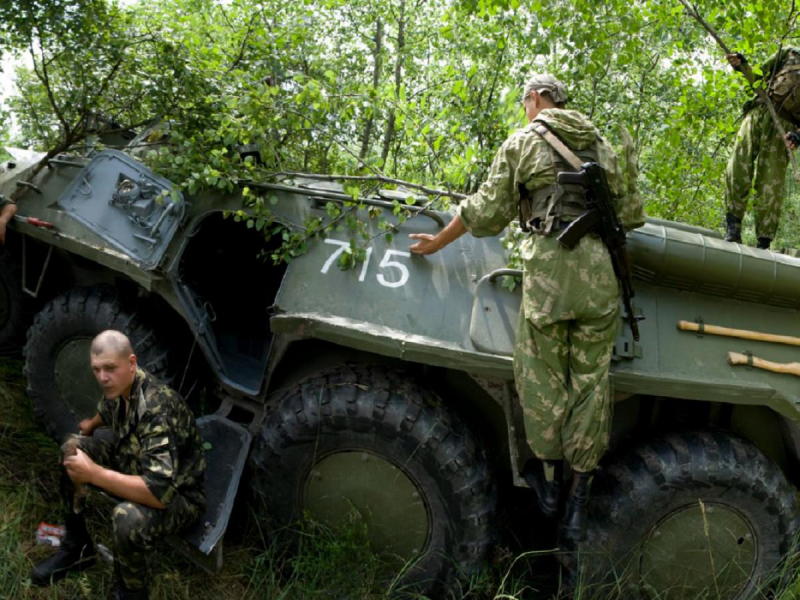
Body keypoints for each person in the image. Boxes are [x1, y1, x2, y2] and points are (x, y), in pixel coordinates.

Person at [408, 74, 644, 544]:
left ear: (535, 99)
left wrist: (437, 241)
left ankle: (551, 485)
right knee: (591, 386)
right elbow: (633, 212)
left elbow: (484, 212)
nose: (525, 110)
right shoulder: (599, 139)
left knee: (539, 376)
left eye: (525, 102)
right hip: (601, 275)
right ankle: (578, 503)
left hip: (552, 274)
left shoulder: (524, 141)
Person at [30, 330, 206, 600]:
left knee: (127, 518)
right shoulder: (120, 386)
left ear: (132, 363)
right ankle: (77, 549)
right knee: (72, 449)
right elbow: (108, 410)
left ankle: (131, 593)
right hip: (135, 460)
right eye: (97, 369)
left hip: (178, 496)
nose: (102, 378)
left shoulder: (157, 408)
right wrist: (91, 425)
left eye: (110, 368)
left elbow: (159, 494)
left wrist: (96, 474)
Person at [724, 49, 800, 249]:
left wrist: (798, 136)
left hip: (784, 128)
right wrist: (742, 65)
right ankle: (733, 227)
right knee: (737, 166)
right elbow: (757, 76)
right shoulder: (788, 53)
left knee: (771, 183)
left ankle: (763, 241)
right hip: (758, 112)